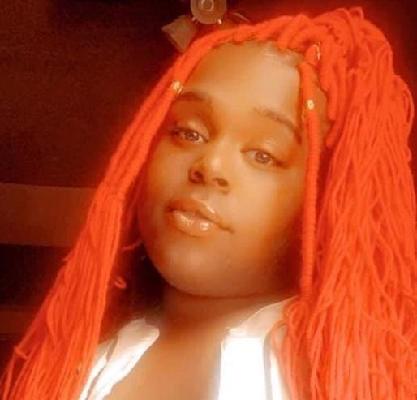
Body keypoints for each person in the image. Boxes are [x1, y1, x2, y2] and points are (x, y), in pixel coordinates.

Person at [1, 3, 416, 400]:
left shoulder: (339, 373)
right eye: (189, 133)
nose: (210, 165)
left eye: (263, 155)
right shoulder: (84, 366)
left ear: (327, 199)